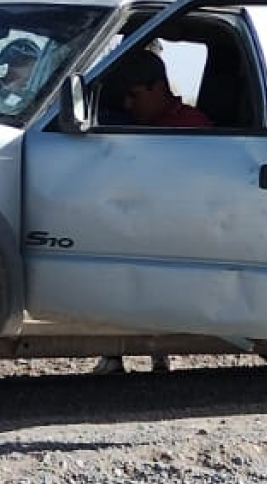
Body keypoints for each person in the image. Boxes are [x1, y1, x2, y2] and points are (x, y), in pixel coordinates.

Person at [90, 48, 211, 375]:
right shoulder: (127, 125)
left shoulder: (193, 127)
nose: (128, 105)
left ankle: (159, 350)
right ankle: (113, 352)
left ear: (159, 88)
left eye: (133, 95)